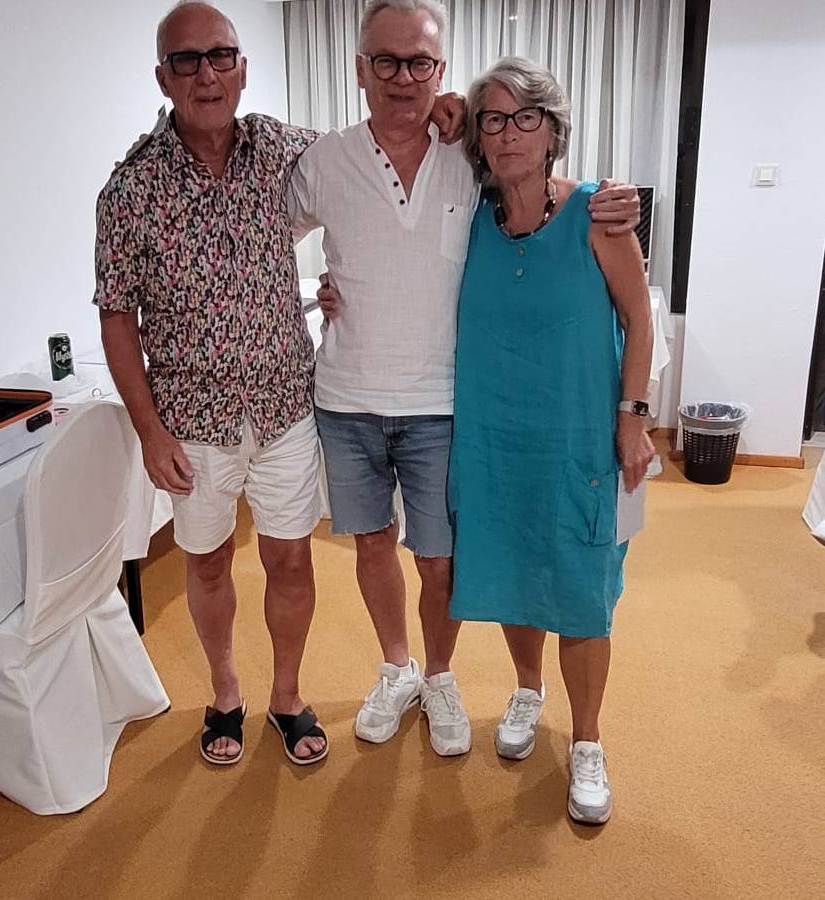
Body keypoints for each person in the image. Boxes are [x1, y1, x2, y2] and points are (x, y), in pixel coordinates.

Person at [291, 0, 640, 758]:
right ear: (360, 69)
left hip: (449, 406)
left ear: (440, 71)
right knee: (384, 547)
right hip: (359, 399)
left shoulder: (478, 165)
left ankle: (447, 678)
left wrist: (633, 414)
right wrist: (312, 298)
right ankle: (403, 669)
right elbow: (262, 245)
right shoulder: (333, 162)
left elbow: (546, 193)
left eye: (419, 62)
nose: (403, 76)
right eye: (386, 61)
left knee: (446, 559)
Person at [94, 1, 329, 767]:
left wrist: (445, 114)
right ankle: (226, 694)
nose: (206, 74)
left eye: (220, 55)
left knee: (290, 559)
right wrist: (148, 431)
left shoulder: (285, 150)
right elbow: (117, 318)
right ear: (163, 77)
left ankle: (287, 697)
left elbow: (369, 167)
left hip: (284, 405)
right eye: (187, 60)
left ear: (242, 69)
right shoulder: (130, 190)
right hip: (192, 420)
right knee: (207, 560)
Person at [449, 56, 656, 823]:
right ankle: (527, 690)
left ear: (552, 130)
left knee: (581, 591)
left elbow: (640, 319)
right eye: (493, 120)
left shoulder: (597, 214)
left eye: (525, 117)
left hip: (579, 438)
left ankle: (588, 739)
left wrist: (632, 418)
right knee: (515, 569)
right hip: (496, 438)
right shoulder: (469, 220)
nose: (509, 133)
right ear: (478, 137)